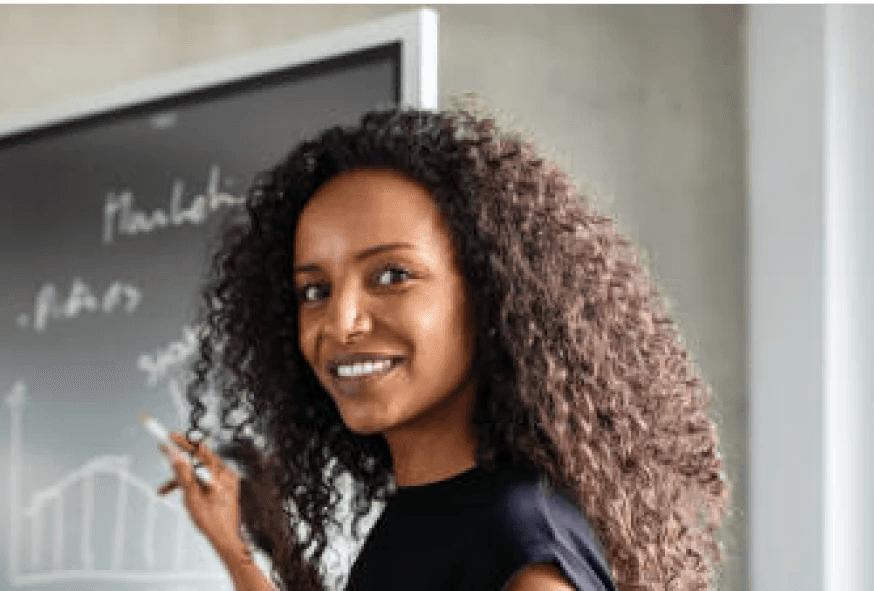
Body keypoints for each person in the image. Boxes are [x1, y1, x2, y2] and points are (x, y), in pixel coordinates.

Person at [157, 108, 729, 591]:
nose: (340, 321)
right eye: (315, 290)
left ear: (491, 294)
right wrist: (235, 546)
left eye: (391, 275)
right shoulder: (438, 505)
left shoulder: (520, 548)